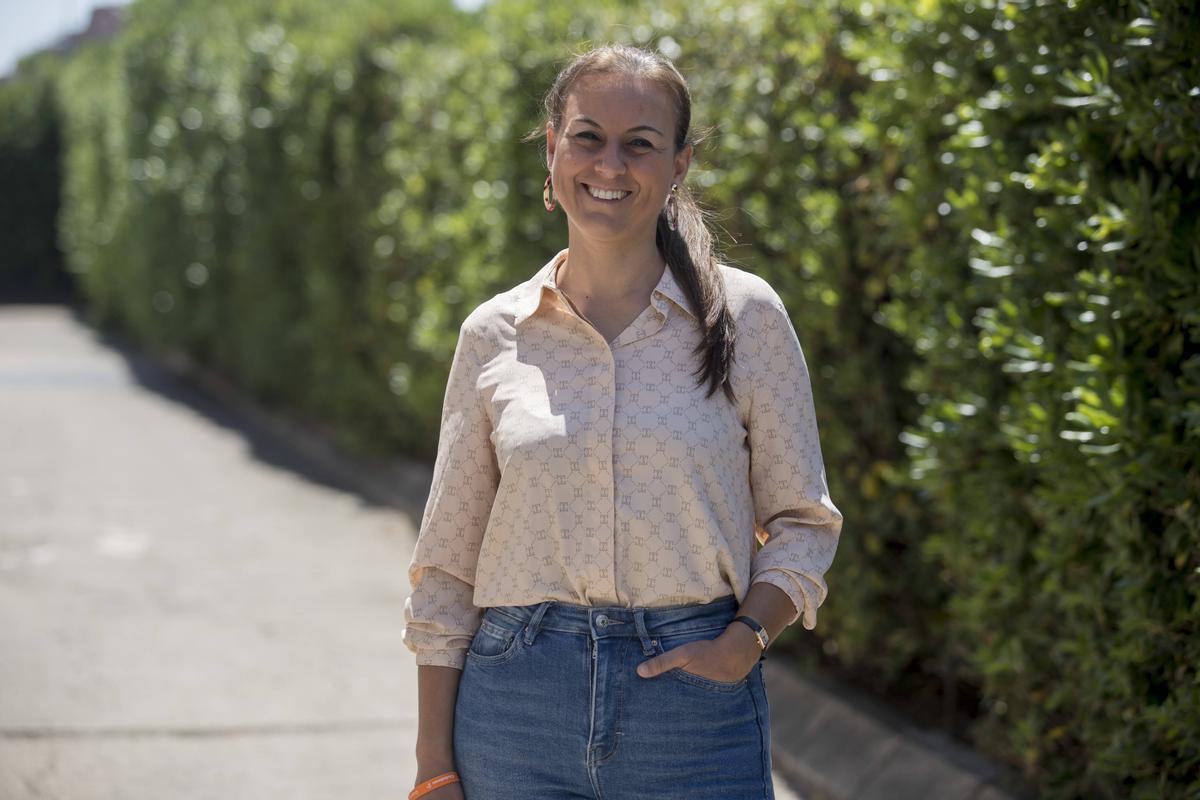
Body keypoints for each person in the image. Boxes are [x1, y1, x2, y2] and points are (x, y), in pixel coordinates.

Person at [402, 42, 844, 800]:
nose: (609, 165)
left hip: (694, 711)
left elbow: (803, 520)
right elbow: (447, 566)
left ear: (679, 165)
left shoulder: (745, 319)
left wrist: (745, 641)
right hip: (515, 707)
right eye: (587, 137)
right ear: (551, 148)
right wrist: (433, 764)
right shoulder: (494, 334)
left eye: (640, 144)